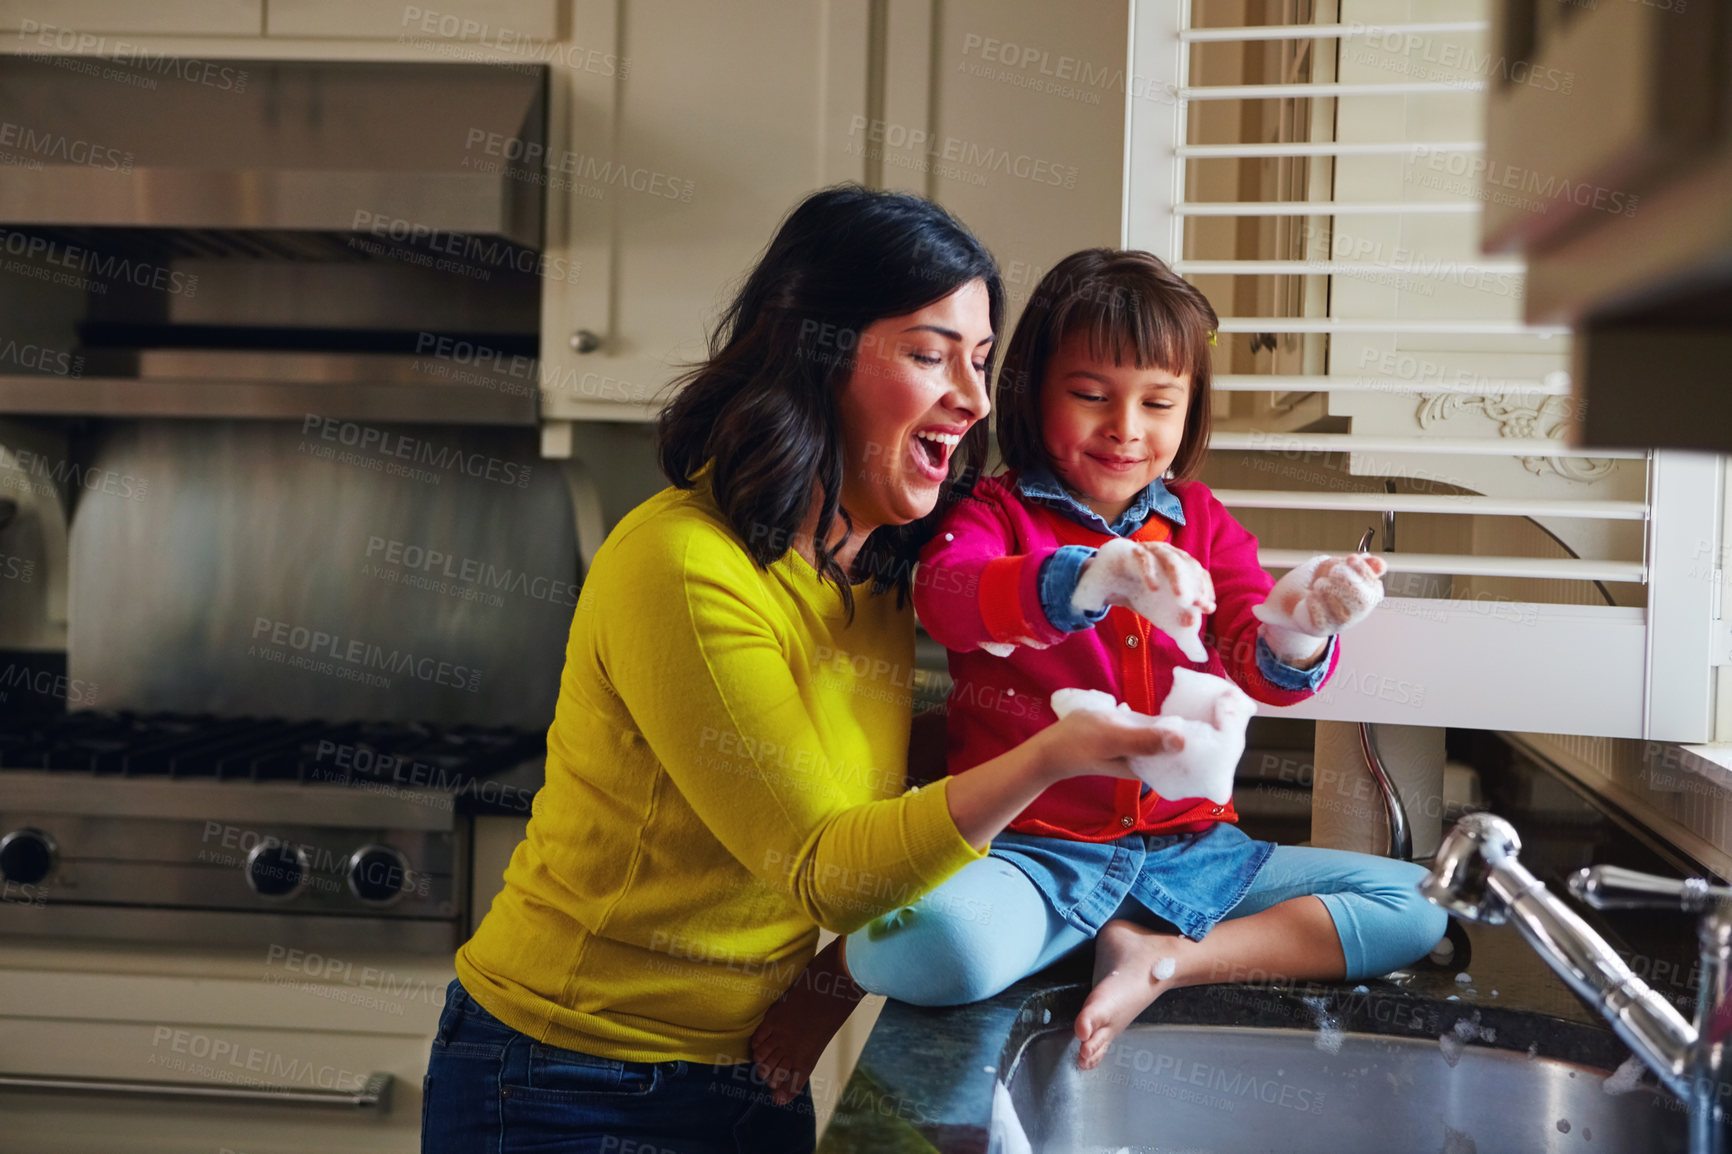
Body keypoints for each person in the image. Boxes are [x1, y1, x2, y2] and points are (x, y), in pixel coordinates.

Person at [420, 193, 1191, 1154]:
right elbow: (828, 867)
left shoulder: (871, 568)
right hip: (569, 1078)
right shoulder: (685, 567)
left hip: (752, 1067)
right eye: (928, 352)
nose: (975, 398)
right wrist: (1048, 756)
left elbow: (878, 790)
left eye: (981, 360)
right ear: (816, 355)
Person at [751, 249, 1448, 1097]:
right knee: (914, 947)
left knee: (1420, 903)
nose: (1126, 426)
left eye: (1159, 402)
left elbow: (1254, 658)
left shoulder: (1202, 522)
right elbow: (948, 599)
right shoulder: (991, 512)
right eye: (1091, 395)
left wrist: (1303, 624)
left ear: (1189, 410)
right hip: (1033, 857)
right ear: (1034, 389)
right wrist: (1088, 577)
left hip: (1192, 855)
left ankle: (1161, 959)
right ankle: (955, 948)